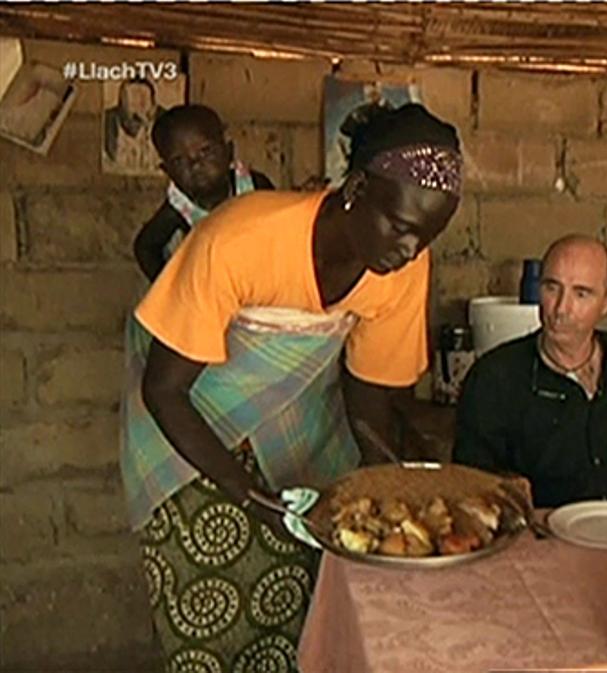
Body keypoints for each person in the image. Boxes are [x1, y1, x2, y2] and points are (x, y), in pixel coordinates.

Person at [121, 103, 462, 671]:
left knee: (304, 607)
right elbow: (165, 391)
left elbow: (368, 396)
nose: (409, 251)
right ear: (355, 188)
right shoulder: (240, 236)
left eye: (426, 238)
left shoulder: (402, 268)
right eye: (401, 228)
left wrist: (398, 481)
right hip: (187, 435)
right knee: (212, 614)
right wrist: (248, 493)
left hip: (298, 432)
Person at [452, 235, 607, 507]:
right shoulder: (495, 377)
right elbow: (469, 479)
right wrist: (506, 490)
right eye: (551, 288)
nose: (561, 309)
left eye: (581, 294)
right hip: (542, 541)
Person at [133, 104, 274, 281]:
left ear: (229, 151)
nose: (195, 165)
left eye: (205, 151)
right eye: (179, 160)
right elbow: (145, 247)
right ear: (167, 171)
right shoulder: (181, 208)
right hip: (211, 290)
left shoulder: (254, 185)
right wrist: (170, 288)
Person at [103, 77, 165, 172]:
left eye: (143, 98)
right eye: (133, 98)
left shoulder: (163, 122)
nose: (139, 103)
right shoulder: (109, 121)